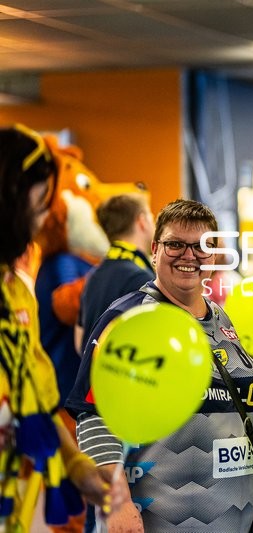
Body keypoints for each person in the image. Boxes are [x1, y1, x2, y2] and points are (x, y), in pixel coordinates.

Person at [66, 199, 253, 532]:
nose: (189, 255)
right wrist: (117, 503)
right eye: (175, 244)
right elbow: (93, 416)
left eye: (202, 246)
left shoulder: (221, 318)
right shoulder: (130, 318)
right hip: (160, 521)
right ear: (154, 250)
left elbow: (235, 391)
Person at [0, 124, 124, 530]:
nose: (38, 222)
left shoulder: (16, 290)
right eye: (36, 206)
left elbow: (36, 396)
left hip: (21, 498)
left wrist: (78, 467)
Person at [75, 193, 155, 352]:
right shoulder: (141, 278)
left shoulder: (94, 275)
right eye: (152, 218)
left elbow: (79, 342)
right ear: (142, 221)